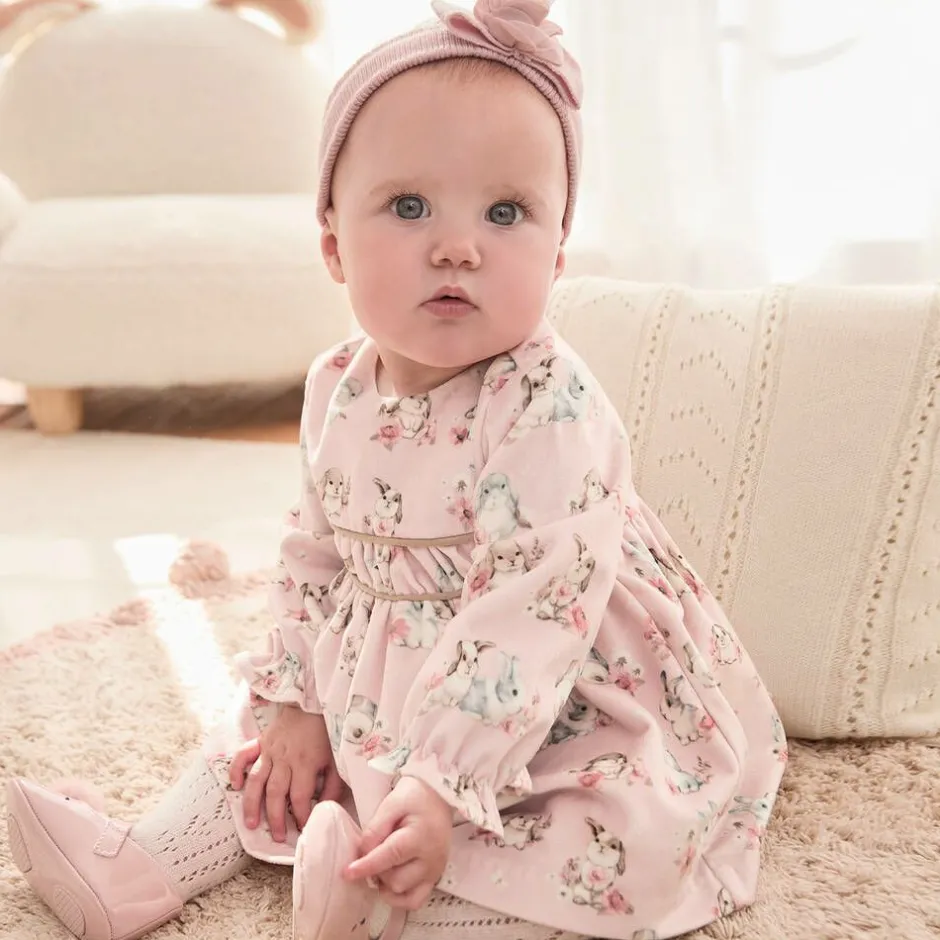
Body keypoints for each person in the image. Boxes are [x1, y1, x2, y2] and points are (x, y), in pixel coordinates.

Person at [5, 2, 788, 939]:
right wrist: (297, 703)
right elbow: (313, 555)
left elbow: (533, 608)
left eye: (506, 212)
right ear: (334, 244)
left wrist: (441, 777)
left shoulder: (547, 404)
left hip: (549, 684)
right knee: (257, 753)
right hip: (380, 662)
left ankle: (394, 905)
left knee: (616, 834)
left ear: (557, 254)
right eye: (410, 207)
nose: (458, 246)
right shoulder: (336, 383)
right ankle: (140, 864)